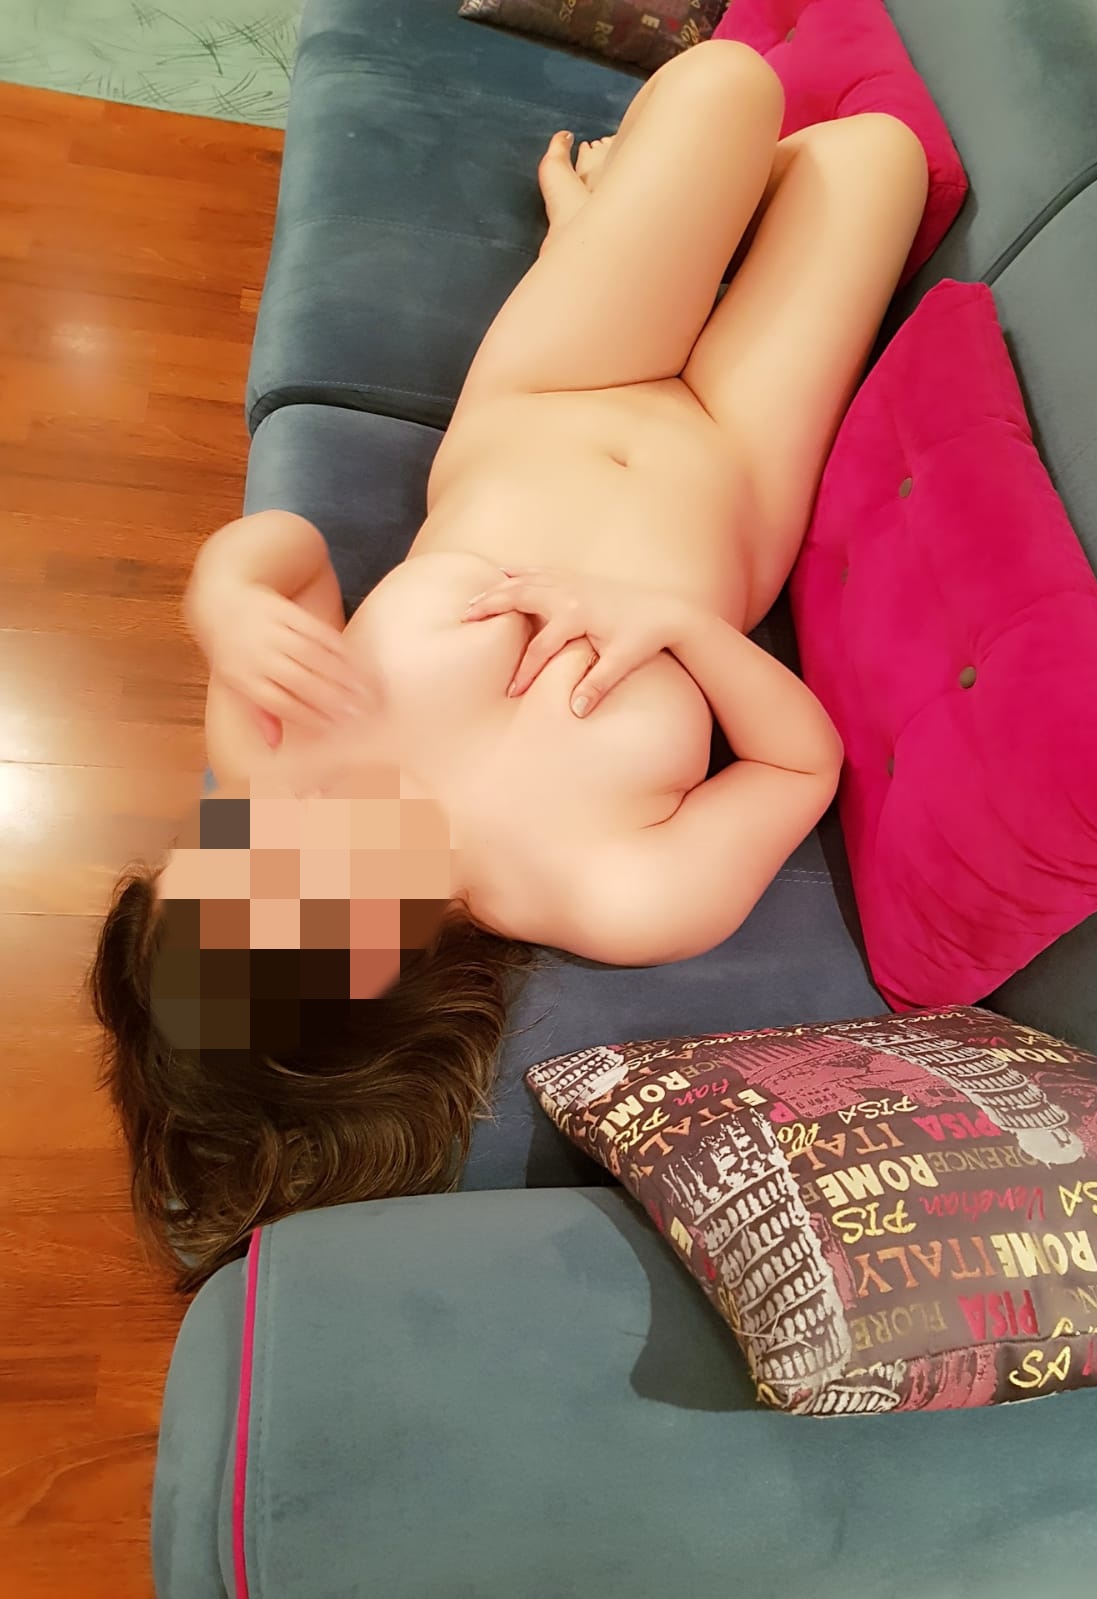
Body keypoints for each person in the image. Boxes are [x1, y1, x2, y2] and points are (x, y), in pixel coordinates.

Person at [89, 40, 929, 1289]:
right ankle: (636, 235)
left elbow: (287, 552)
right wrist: (680, 628)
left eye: (219, 849)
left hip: (551, 386)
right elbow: (799, 766)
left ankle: (605, 238)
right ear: (377, 981)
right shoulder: (609, 898)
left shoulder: (276, 759)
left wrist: (223, 600)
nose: (259, 821)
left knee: (730, 88)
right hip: (736, 473)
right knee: (877, 156)